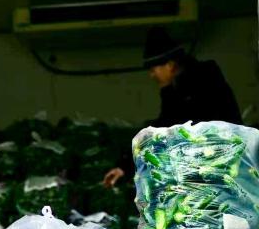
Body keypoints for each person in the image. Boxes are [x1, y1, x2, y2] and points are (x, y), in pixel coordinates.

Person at [103, 26, 244, 187]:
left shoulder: (200, 86)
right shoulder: (184, 89)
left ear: (170, 65)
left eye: (153, 69)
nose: (152, 75)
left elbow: (166, 129)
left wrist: (127, 166)